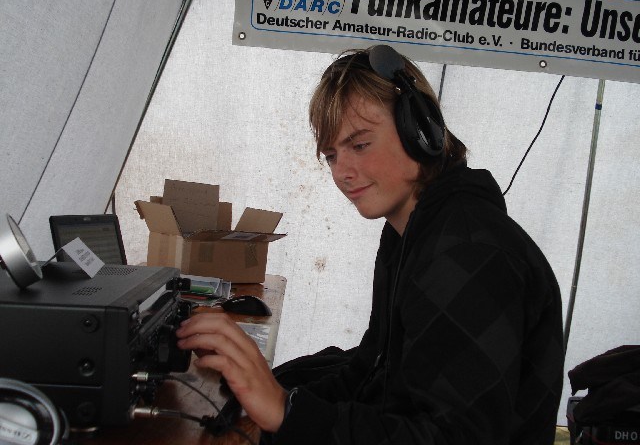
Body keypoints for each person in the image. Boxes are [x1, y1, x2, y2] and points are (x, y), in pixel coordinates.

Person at [175, 45, 565, 444]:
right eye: (331, 156)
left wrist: (286, 411)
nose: (342, 172)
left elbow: (454, 438)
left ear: (421, 131)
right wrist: (272, 399)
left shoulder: (467, 252)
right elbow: (370, 373)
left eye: (360, 145)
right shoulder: (410, 232)